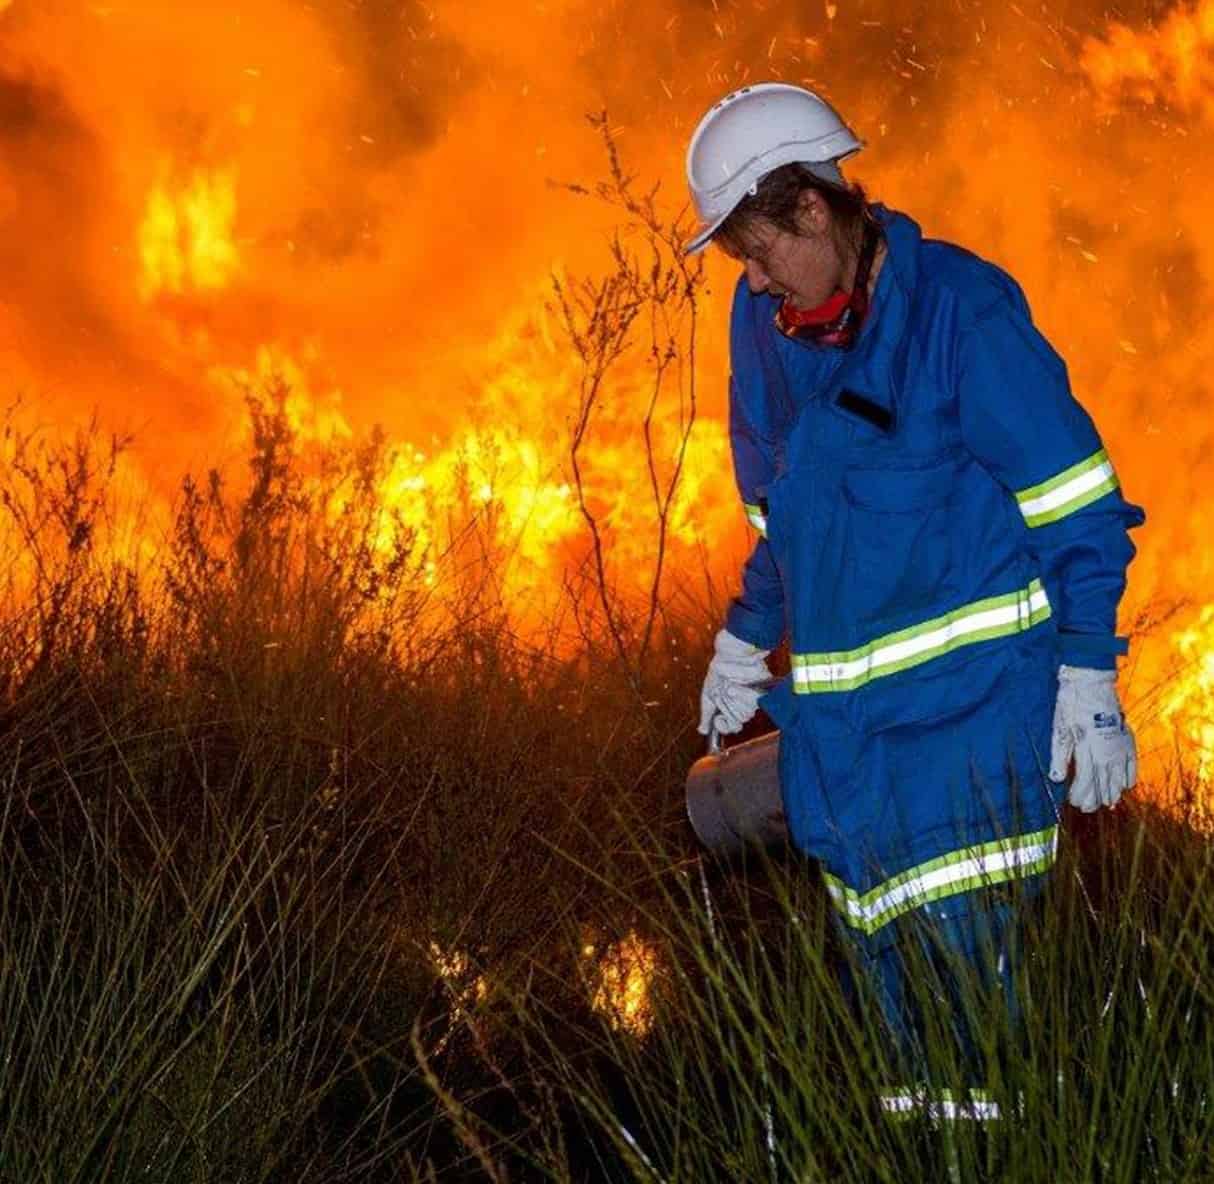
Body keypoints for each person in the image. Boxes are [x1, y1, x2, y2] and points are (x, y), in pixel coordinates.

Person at [685, 82, 1145, 1121]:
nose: (755, 285)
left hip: (967, 736)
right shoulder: (763, 333)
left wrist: (1086, 672)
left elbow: (1075, 507)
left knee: (975, 1049)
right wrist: (746, 634)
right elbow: (783, 514)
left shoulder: (959, 314)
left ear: (814, 209)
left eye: (760, 253)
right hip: (847, 759)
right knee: (904, 1068)